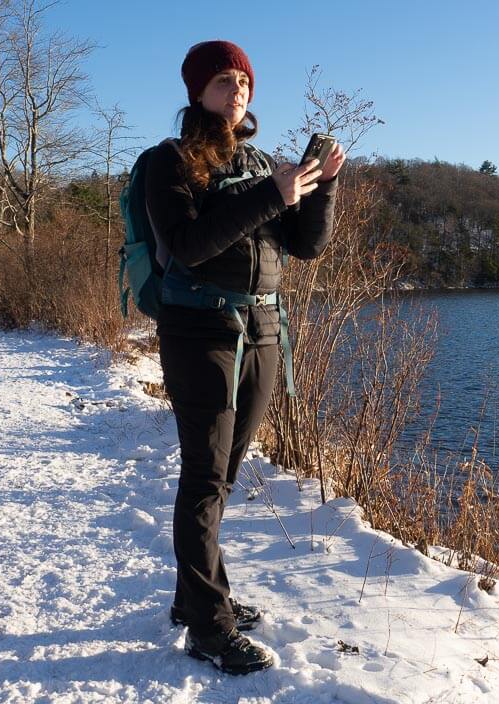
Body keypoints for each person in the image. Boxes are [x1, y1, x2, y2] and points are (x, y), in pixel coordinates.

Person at [145, 40, 344, 675]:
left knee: (225, 475)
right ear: (197, 91)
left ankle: (192, 597)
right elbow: (190, 245)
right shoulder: (167, 163)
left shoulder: (259, 162)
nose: (239, 91)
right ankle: (209, 626)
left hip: (261, 328)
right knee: (204, 476)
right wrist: (271, 194)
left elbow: (305, 248)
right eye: (225, 81)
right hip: (198, 329)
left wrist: (320, 191)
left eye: (246, 82)